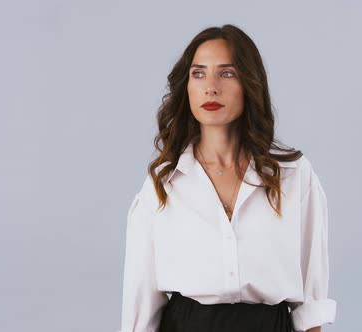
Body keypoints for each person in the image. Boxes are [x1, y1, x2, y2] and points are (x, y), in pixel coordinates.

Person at [118, 24, 336, 332]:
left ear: (249, 83)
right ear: (187, 88)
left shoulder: (293, 175)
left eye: (227, 73)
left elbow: (311, 303)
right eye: (198, 73)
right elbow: (141, 304)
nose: (211, 87)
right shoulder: (163, 185)